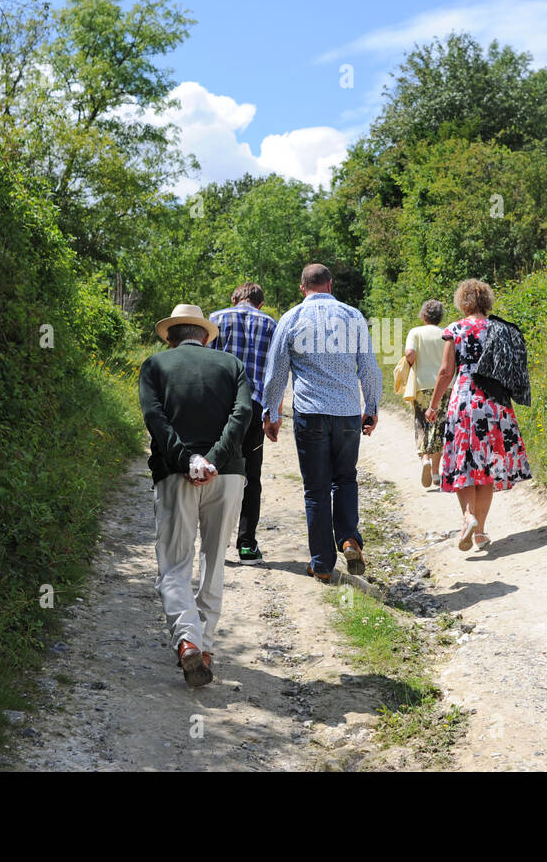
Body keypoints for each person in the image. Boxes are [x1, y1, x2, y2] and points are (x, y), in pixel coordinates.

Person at [139, 303, 252, 687]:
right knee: (214, 560)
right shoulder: (232, 366)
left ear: (170, 337)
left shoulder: (154, 366)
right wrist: (215, 460)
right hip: (228, 475)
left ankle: (187, 639)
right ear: (204, 336)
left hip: (174, 475)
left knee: (174, 564)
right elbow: (242, 415)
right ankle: (204, 646)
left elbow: (156, 420)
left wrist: (188, 459)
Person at [262, 264, 383, 581]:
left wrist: (272, 414)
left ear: (302, 288)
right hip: (345, 413)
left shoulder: (291, 318)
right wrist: (371, 407)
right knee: (345, 479)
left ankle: (322, 565)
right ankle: (348, 538)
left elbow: (276, 374)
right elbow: (369, 367)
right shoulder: (352, 316)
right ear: (330, 285)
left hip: (311, 414)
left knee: (316, 490)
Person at [425, 279, 532, 551]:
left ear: (463, 302)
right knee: (487, 467)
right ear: (487, 301)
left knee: (463, 462)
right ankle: (481, 532)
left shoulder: (456, 329)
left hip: (464, 400)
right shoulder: (500, 329)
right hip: (495, 404)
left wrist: (434, 405)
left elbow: (446, 372)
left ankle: (468, 517)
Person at [209, 282, 278, 564]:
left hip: (220, 408)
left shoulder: (215, 319)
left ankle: (215, 544)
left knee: (217, 470)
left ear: (234, 298)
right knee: (252, 476)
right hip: (254, 407)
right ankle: (247, 545)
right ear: (260, 303)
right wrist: (273, 415)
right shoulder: (271, 324)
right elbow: (275, 373)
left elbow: (206, 364)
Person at [405, 299, 447, 488]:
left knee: (421, 422)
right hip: (444, 386)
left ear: (423, 316)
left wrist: (412, 365)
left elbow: (409, 354)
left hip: (422, 385)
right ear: (440, 317)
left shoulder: (415, 332)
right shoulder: (446, 334)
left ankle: (425, 460)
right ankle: (436, 473)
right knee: (439, 425)